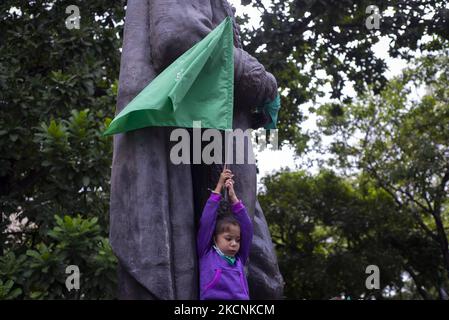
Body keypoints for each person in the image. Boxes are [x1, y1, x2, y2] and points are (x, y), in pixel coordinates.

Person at [197, 168, 254, 300]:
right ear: (215, 238)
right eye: (228, 238)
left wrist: (233, 198)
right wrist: (219, 187)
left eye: (238, 240)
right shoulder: (206, 252)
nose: (234, 243)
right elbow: (206, 221)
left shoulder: (240, 259)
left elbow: (247, 228)